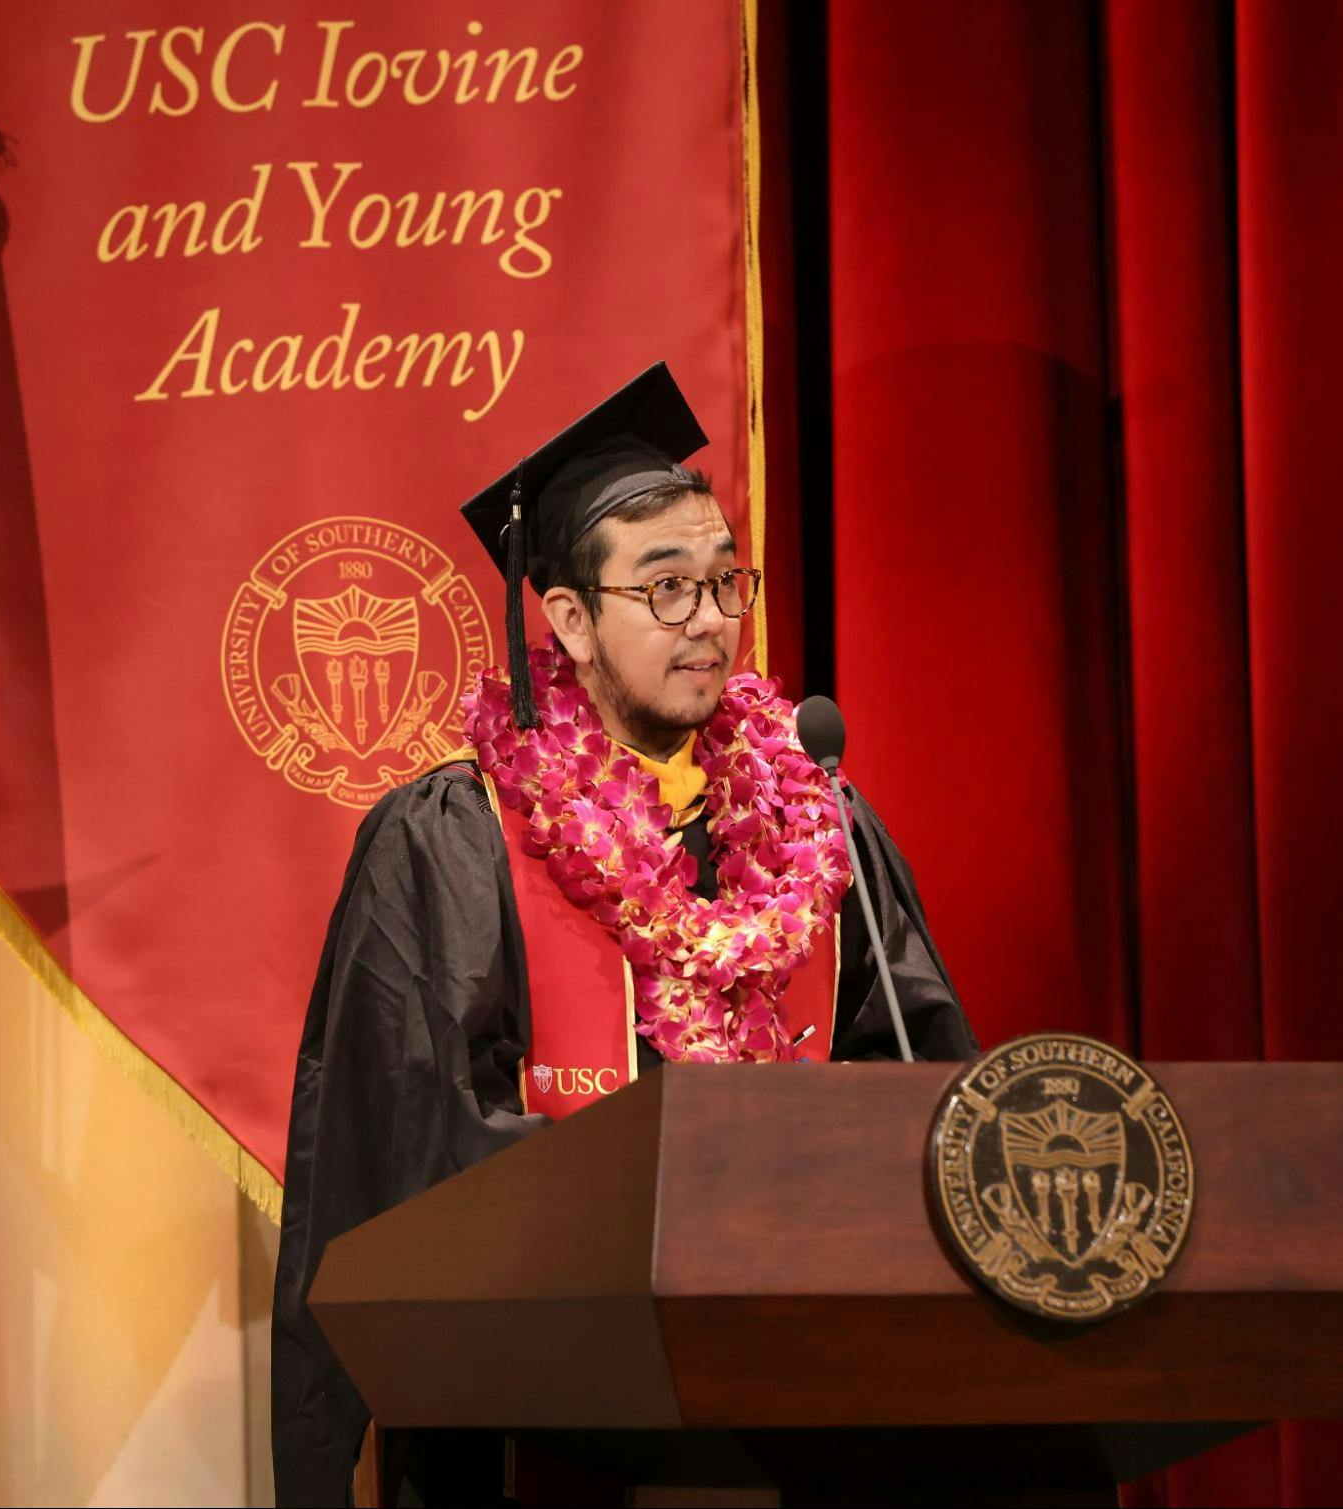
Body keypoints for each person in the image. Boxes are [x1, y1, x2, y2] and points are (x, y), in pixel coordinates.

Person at [270, 363, 975, 1506]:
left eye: (723, 584)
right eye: (665, 590)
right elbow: (401, 1158)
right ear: (569, 621)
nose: (708, 623)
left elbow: (918, 1085)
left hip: (809, 1410)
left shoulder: (819, 821)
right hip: (547, 1423)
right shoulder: (457, 839)